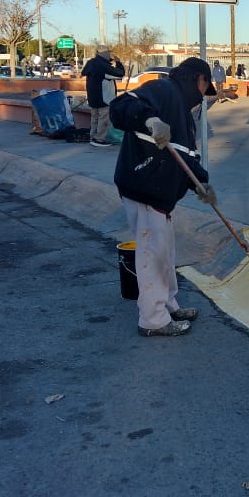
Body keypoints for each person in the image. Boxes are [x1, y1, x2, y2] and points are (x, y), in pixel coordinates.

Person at [108, 57, 218, 337]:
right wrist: (150, 119)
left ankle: (168, 303)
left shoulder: (183, 112)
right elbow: (120, 108)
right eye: (206, 88)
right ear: (198, 80)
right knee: (153, 255)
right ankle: (153, 319)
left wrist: (202, 184)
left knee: (165, 252)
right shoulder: (163, 90)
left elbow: (186, 158)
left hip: (160, 195)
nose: (205, 96)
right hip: (144, 187)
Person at [81, 45, 125, 147]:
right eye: (108, 53)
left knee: (95, 118)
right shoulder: (103, 66)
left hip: (93, 97)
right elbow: (119, 74)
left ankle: (93, 137)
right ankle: (99, 139)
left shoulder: (91, 63)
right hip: (104, 97)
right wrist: (118, 63)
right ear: (105, 53)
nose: (110, 54)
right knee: (104, 119)